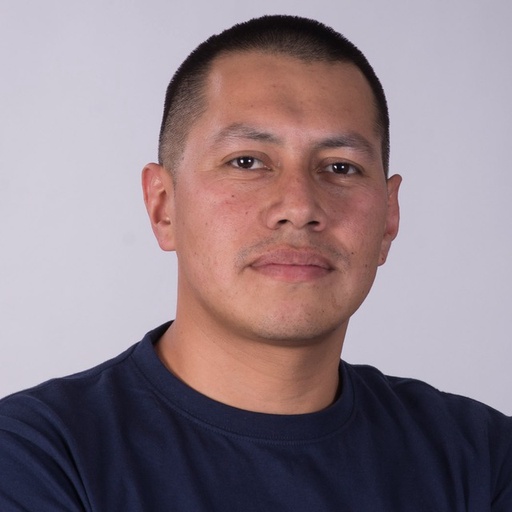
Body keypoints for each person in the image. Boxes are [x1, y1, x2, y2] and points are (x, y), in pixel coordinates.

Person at [0, 14, 510, 511]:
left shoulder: (484, 459)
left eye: (340, 167)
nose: (300, 206)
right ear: (163, 206)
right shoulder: (37, 458)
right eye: (246, 162)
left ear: (389, 217)